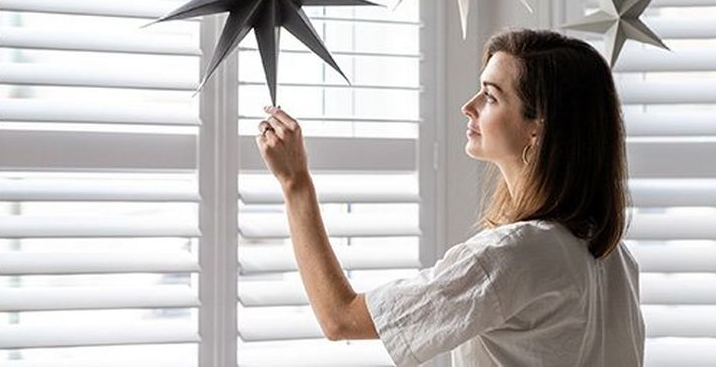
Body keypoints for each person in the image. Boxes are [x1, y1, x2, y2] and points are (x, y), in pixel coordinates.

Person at [256, 28, 645, 366]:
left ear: (537, 128)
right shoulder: (611, 255)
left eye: (491, 97)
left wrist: (296, 184)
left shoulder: (511, 256)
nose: (469, 107)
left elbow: (340, 318)